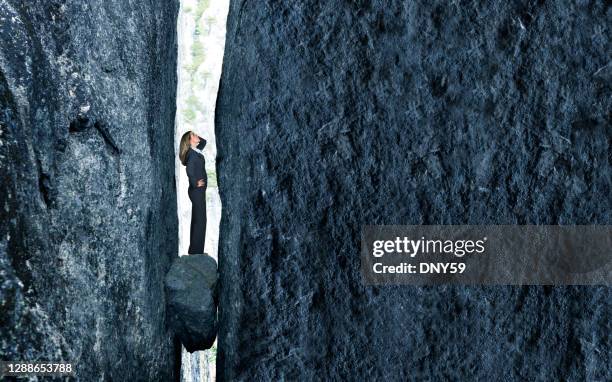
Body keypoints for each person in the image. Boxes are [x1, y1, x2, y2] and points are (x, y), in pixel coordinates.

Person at [179, 131, 207, 254]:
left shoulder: (195, 151)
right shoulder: (191, 154)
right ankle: (196, 251)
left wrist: (193, 137)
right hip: (196, 191)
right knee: (200, 220)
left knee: (198, 220)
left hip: (198, 192)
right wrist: (196, 183)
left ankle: (195, 250)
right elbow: (189, 170)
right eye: (194, 135)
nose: (197, 136)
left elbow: (204, 142)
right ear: (189, 140)